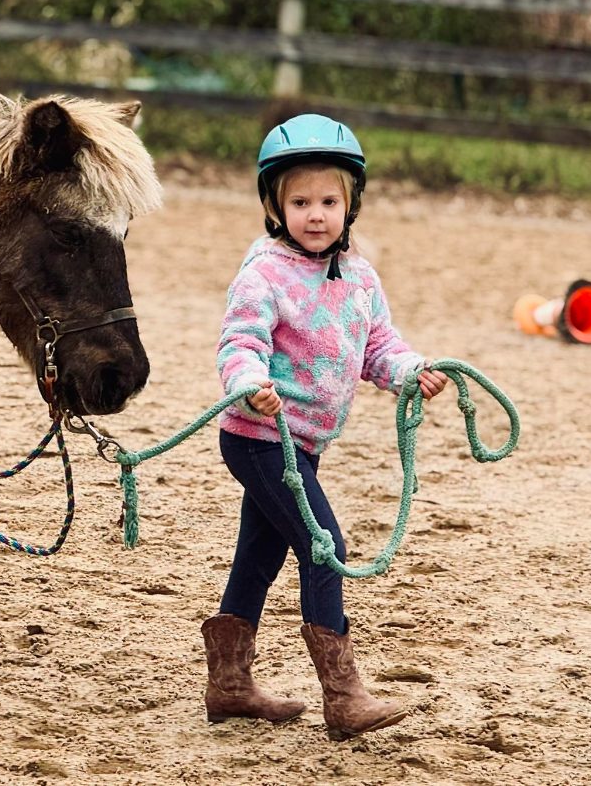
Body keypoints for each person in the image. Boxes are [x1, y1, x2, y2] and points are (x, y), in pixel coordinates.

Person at [202, 112, 449, 740]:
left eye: (329, 200)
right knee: (324, 544)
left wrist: (410, 370)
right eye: (300, 200)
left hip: (304, 446)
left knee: (258, 556)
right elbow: (240, 342)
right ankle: (343, 696)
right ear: (275, 206)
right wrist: (246, 382)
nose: (316, 213)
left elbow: (378, 347)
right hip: (258, 438)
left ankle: (229, 685)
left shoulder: (360, 278)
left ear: (351, 204)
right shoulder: (263, 274)